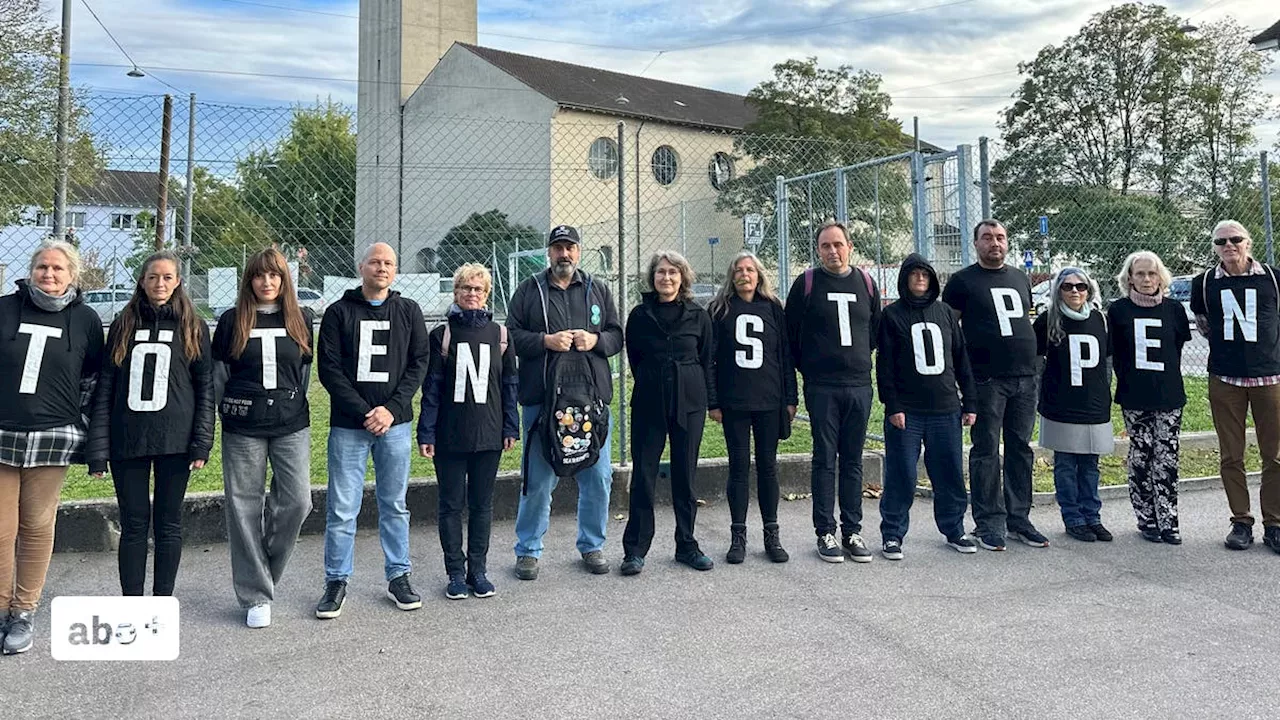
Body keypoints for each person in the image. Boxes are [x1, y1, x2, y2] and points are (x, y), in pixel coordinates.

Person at [86, 250, 215, 597]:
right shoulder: (123, 324)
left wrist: (201, 441)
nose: (160, 283)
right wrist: (97, 450)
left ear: (178, 282)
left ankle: (161, 602)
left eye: (168, 277)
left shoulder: (194, 327)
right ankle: (132, 603)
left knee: (169, 524)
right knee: (133, 524)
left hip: (176, 439)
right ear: (142, 282)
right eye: (153, 277)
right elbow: (105, 390)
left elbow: (206, 389)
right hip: (128, 439)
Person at [316, 242, 430, 618]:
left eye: (388, 263)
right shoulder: (338, 313)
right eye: (375, 262)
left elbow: (418, 365)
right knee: (343, 507)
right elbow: (330, 370)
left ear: (395, 271)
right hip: (350, 425)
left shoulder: (409, 311)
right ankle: (336, 580)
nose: (381, 268)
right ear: (361, 266)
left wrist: (391, 411)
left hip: (394, 426)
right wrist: (366, 411)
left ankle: (398, 575)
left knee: (394, 504)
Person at [0, 241, 104, 655]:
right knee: (2, 528)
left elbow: (92, 379)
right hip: (3, 432)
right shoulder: (5, 308)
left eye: (58, 268)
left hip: (53, 436)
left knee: (37, 525)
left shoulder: (86, 319)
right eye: (42, 266)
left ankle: (23, 611)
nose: (49, 274)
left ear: (72, 275)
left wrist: (78, 424)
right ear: (31, 270)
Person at [507, 225, 623, 580]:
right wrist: (544, 341)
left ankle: (591, 545)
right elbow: (509, 337)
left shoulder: (597, 289)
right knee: (538, 480)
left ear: (579, 251)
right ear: (549, 253)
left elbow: (617, 336)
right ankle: (528, 550)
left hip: (590, 403)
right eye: (558, 248)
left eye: (570, 248)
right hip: (543, 403)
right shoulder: (529, 291)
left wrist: (595, 340)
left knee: (598, 477)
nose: (564, 254)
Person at [212, 248, 315, 628]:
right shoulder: (231, 321)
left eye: (275, 275)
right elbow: (219, 378)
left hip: (290, 423)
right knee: (243, 507)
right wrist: (233, 411)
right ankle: (256, 593)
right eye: (259, 276)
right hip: (244, 425)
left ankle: (263, 568)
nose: (267, 282)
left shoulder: (301, 318)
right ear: (249, 280)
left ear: (285, 280)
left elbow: (302, 376)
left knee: (297, 501)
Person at [941, 220, 1050, 551]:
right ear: (975, 243)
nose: (995, 243)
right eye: (987, 238)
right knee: (986, 449)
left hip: (1025, 377)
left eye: (1000, 237)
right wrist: (960, 381)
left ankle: (1019, 518)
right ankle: (988, 521)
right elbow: (950, 332)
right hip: (986, 379)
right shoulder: (962, 282)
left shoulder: (1019, 277)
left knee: (1020, 448)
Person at [417, 264, 518, 600]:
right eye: (465, 288)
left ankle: (479, 570)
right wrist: (426, 433)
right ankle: (455, 572)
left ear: (487, 294)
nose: (472, 294)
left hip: (488, 434)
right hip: (449, 434)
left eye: (478, 289)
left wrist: (510, 425)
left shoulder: (500, 336)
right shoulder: (441, 336)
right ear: (455, 292)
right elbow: (431, 388)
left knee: (482, 505)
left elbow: (509, 385)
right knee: (450, 504)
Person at [784, 221, 881, 563]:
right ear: (818, 250)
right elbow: (790, 337)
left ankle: (852, 530)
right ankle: (825, 531)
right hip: (822, 387)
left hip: (858, 385)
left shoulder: (867, 283)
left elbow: (874, 333)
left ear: (850, 246)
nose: (832, 251)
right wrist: (807, 372)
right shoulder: (807, 284)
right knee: (825, 458)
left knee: (853, 460)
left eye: (838, 244)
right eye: (826, 246)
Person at [875, 254, 979, 560]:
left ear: (932, 279)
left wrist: (969, 401)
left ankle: (954, 529)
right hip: (907, 410)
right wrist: (893, 405)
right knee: (902, 473)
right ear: (905, 278)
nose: (920, 279)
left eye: (925, 274)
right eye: (914, 274)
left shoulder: (945, 313)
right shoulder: (892, 315)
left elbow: (961, 360)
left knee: (948, 473)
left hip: (945, 408)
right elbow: (886, 367)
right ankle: (893, 533)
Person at [621, 251, 717, 574]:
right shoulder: (639, 316)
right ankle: (635, 550)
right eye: (661, 272)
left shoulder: (698, 316)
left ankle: (687, 545)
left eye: (673, 273)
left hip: (689, 402)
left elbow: (706, 359)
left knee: (685, 475)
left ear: (683, 277)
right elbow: (635, 357)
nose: (666, 278)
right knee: (644, 476)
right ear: (653, 277)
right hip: (649, 400)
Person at [1190, 220, 1280, 554]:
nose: (1229, 245)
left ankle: (1275, 523)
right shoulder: (1203, 285)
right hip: (1225, 378)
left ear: (1248, 242)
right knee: (1231, 454)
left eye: (1236, 239)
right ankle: (1241, 520)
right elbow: (1204, 326)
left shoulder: (1272, 278)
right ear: (1214, 246)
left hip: (1270, 377)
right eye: (1221, 241)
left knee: (1275, 454)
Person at [707, 252, 795, 564]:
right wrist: (713, 400)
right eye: (739, 270)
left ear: (759, 274)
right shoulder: (720, 309)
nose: (745, 275)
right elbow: (711, 360)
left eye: (750, 270)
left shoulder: (773, 308)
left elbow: (784, 356)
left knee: (768, 466)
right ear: (731, 276)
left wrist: (790, 398)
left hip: (769, 400)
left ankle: (772, 534)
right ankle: (738, 536)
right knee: (739, 466)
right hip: (735, 401)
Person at [1108, 251, 1190, 545]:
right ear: (1129, 277)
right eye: (1139, 274)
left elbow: (1177, 347)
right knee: (1141, 456)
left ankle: (1169, 520)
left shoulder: (1174, 310)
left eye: (1151, 273)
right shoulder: (1117, 311)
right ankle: (1146, 518)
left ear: (1161, 277)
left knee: (1167, 457)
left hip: (1168, 394)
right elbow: (1114, 353)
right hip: (1134, 395)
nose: (1146, 279)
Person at [1034, 268, 1113, 542]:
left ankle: (1093, 516)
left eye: (1081, 286)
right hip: (1061, 404)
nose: (1075, 291)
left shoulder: (1100, 319)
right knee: (1066, 464)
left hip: (1093, 404)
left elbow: (1108, 361)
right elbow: (1034, 360)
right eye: (1068, 287)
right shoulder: (1048, 320)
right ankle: (1073, 517)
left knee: (1090, 465)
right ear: (1058, 291)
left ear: (1089, 290)